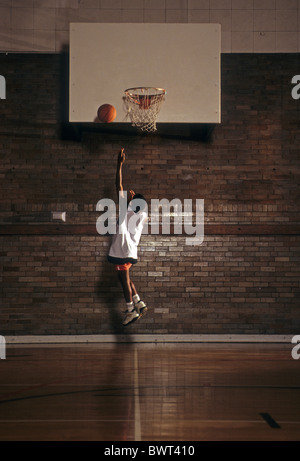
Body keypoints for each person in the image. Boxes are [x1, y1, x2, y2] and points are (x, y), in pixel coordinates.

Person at [107, 148, 148, 326]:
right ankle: (138, 301)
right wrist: (133, 201)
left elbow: (119, 186)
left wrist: (119, 165)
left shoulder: (126, 211)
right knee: (125, 277)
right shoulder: (142, 214)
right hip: (130, 250)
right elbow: (139, 205)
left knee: (124, 281)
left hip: (122, 250)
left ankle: (131, 309)